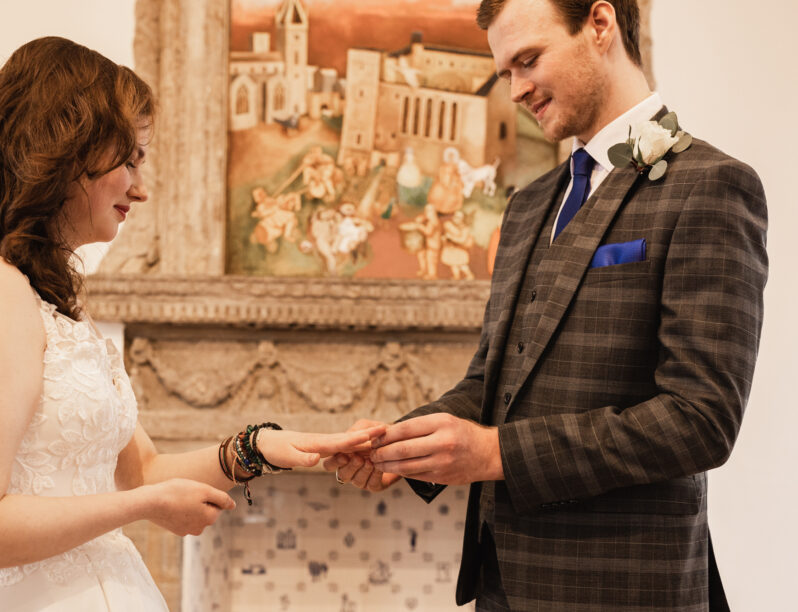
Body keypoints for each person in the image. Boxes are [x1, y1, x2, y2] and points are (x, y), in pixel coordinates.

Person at [0, 36, 383, 611]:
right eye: (129, 160)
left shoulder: (38, 300)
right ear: (64, 153)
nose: (140, 189)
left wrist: (261, 448)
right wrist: (141, 510)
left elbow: (142, 470)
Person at [325, 1, 768, 610]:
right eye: (505, 72)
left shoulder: (714, 186)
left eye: (528, 61)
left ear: (600, 25)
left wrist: (495, 452)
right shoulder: (529, 204)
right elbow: (493, 380)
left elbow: (701, 421)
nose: (516, 90)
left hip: (625, 589)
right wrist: (401, 444)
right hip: (502, 583)